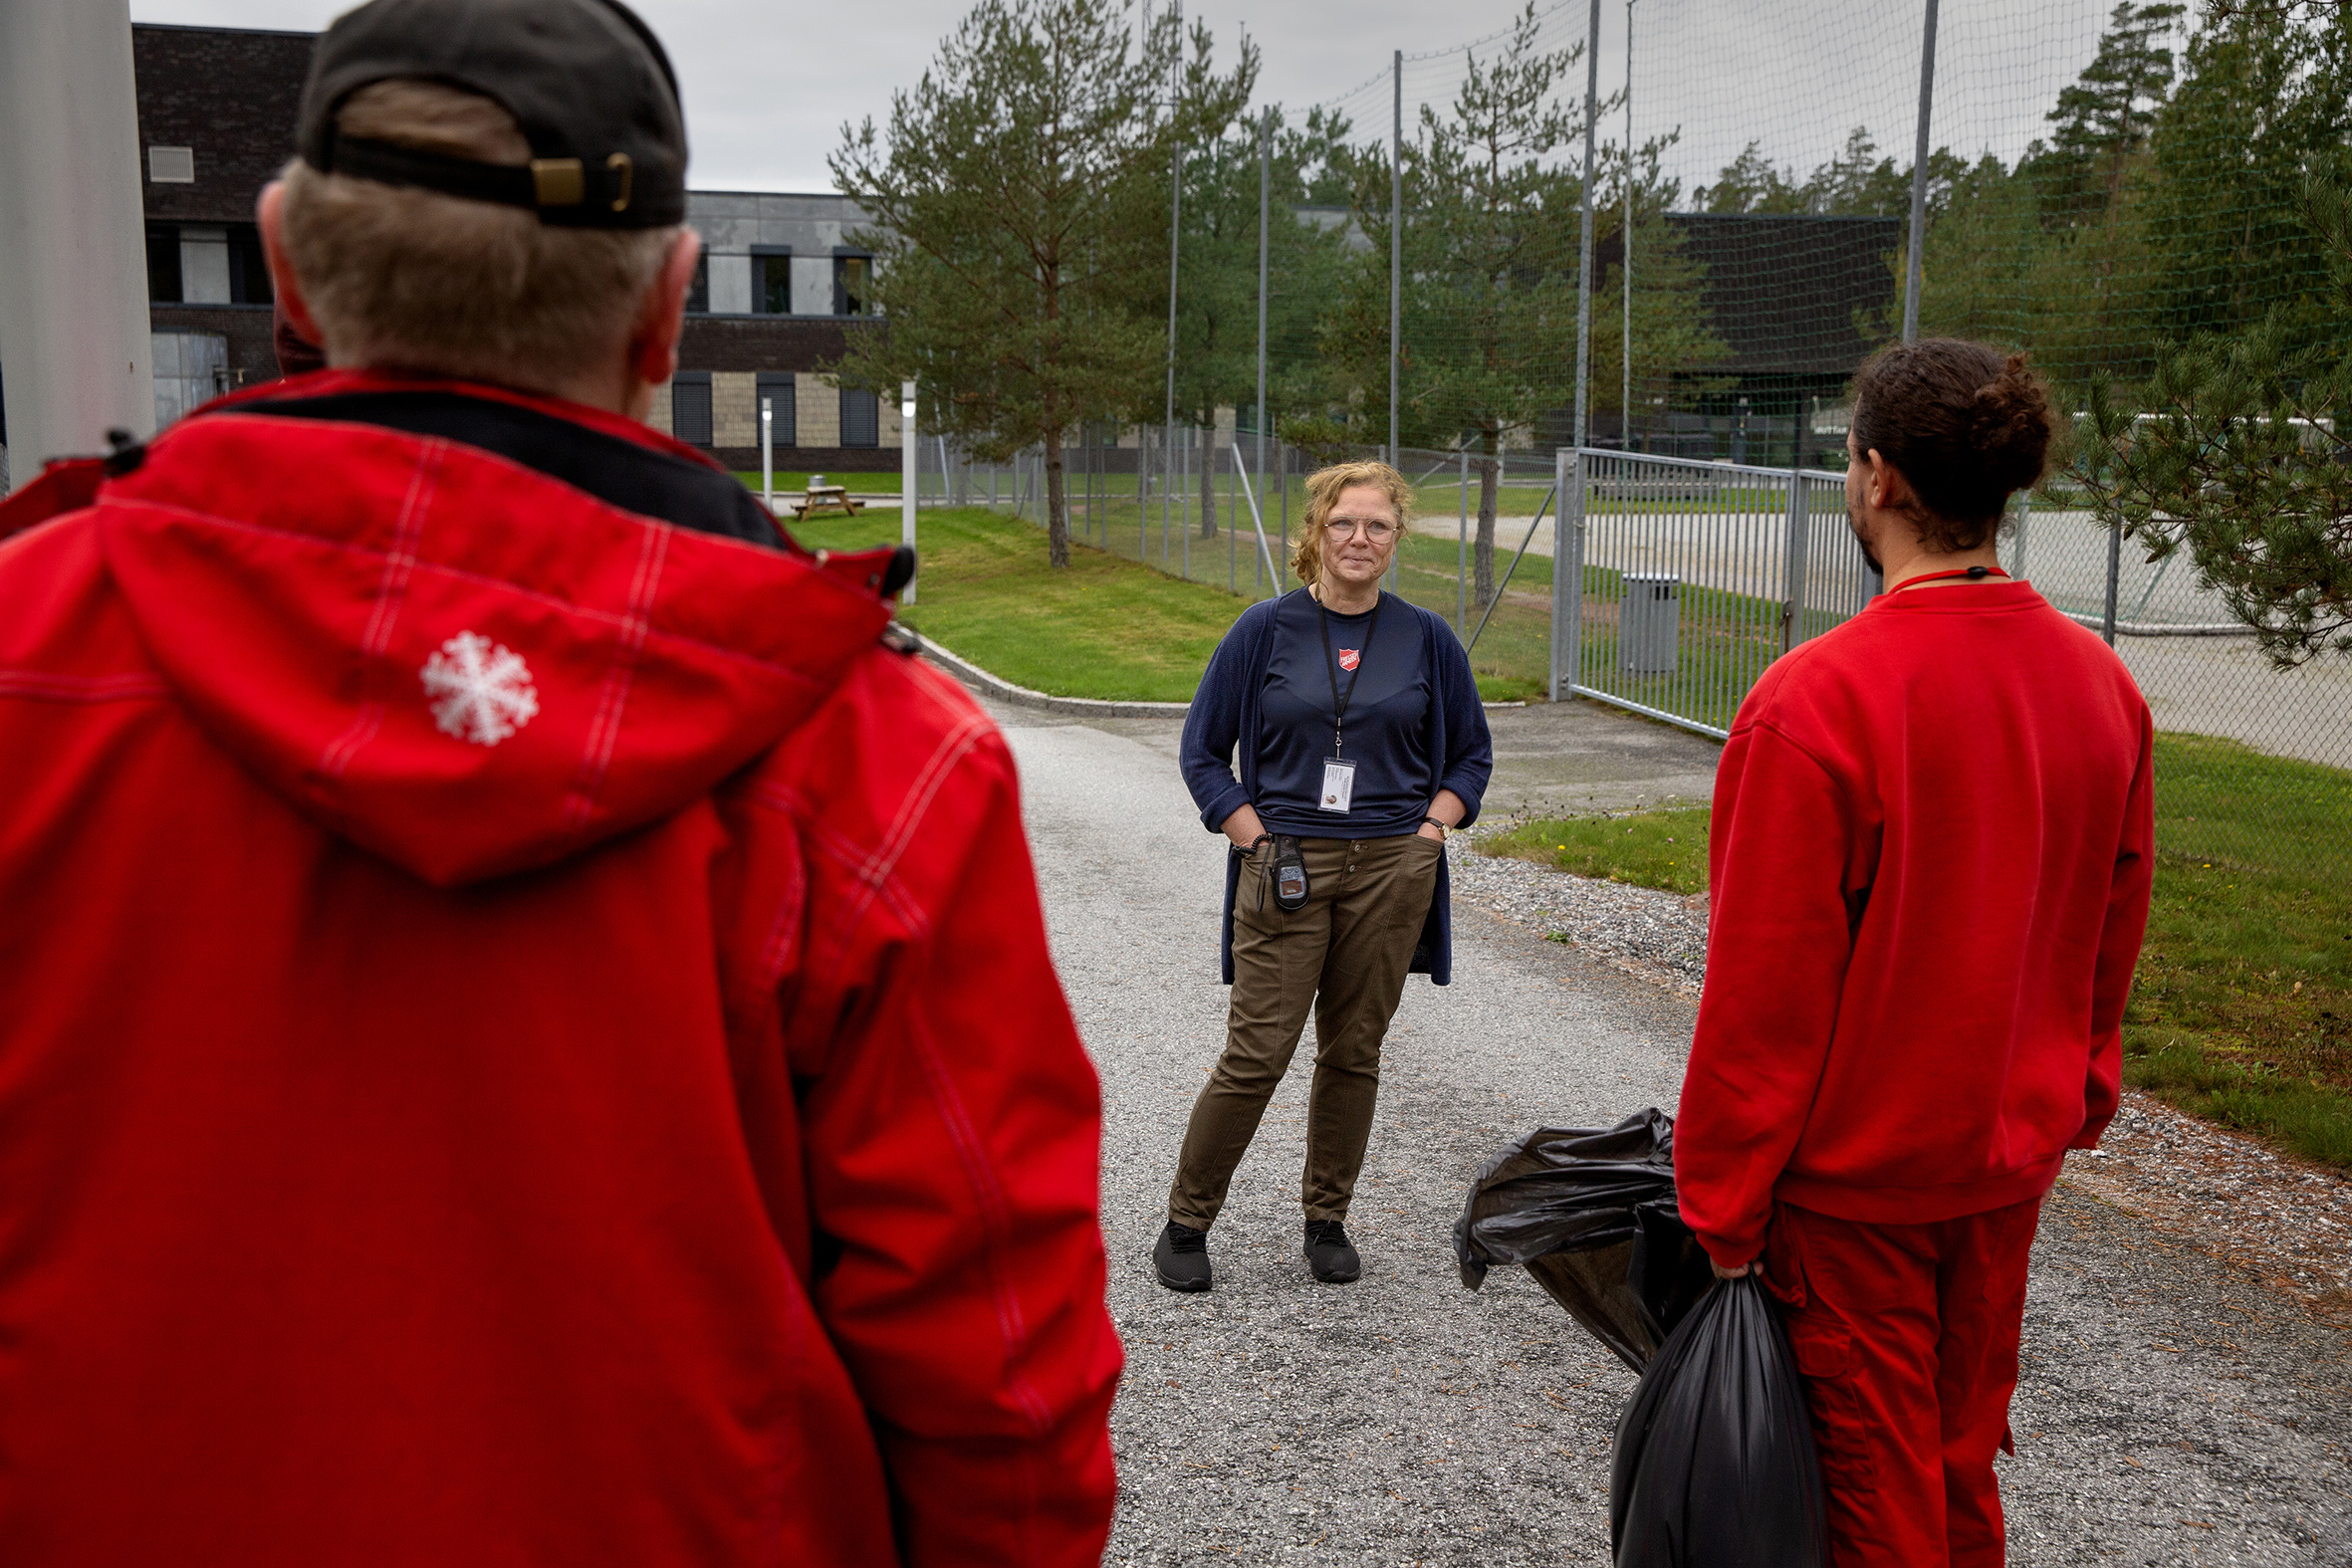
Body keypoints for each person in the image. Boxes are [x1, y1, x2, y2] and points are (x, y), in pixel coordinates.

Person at [0, 3, 1119, 1563]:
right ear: (667, 309)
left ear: (285, 267)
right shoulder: (875, 765)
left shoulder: (27, 658)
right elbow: (999, 1378)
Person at [1673, 339, 2155, 1567]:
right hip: (2003, 1170)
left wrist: (1721, 1208)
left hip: (1855, 1199)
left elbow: (1762, 996)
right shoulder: (2102, 688)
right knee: (1956, 1468)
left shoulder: (1815, 701)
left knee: (1869, 1502)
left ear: (1876, 478)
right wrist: (2075, 1093)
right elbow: (2110, 928)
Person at [1159, 460, 1493, 1292]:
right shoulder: (1264, 630)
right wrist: (1251, 834)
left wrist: (1429, 829)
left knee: (1354, 1050)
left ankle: (1326, 1218)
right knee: (1258, 1049)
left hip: (1391, 865)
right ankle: (1186, 1222)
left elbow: (1471, 756)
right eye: (1345, 522)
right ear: (1316, 532)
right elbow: (1203, 752)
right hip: (1286, 863)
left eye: (1378, 525)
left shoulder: (1426, 638)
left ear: (1395, 540)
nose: (1360, 539)